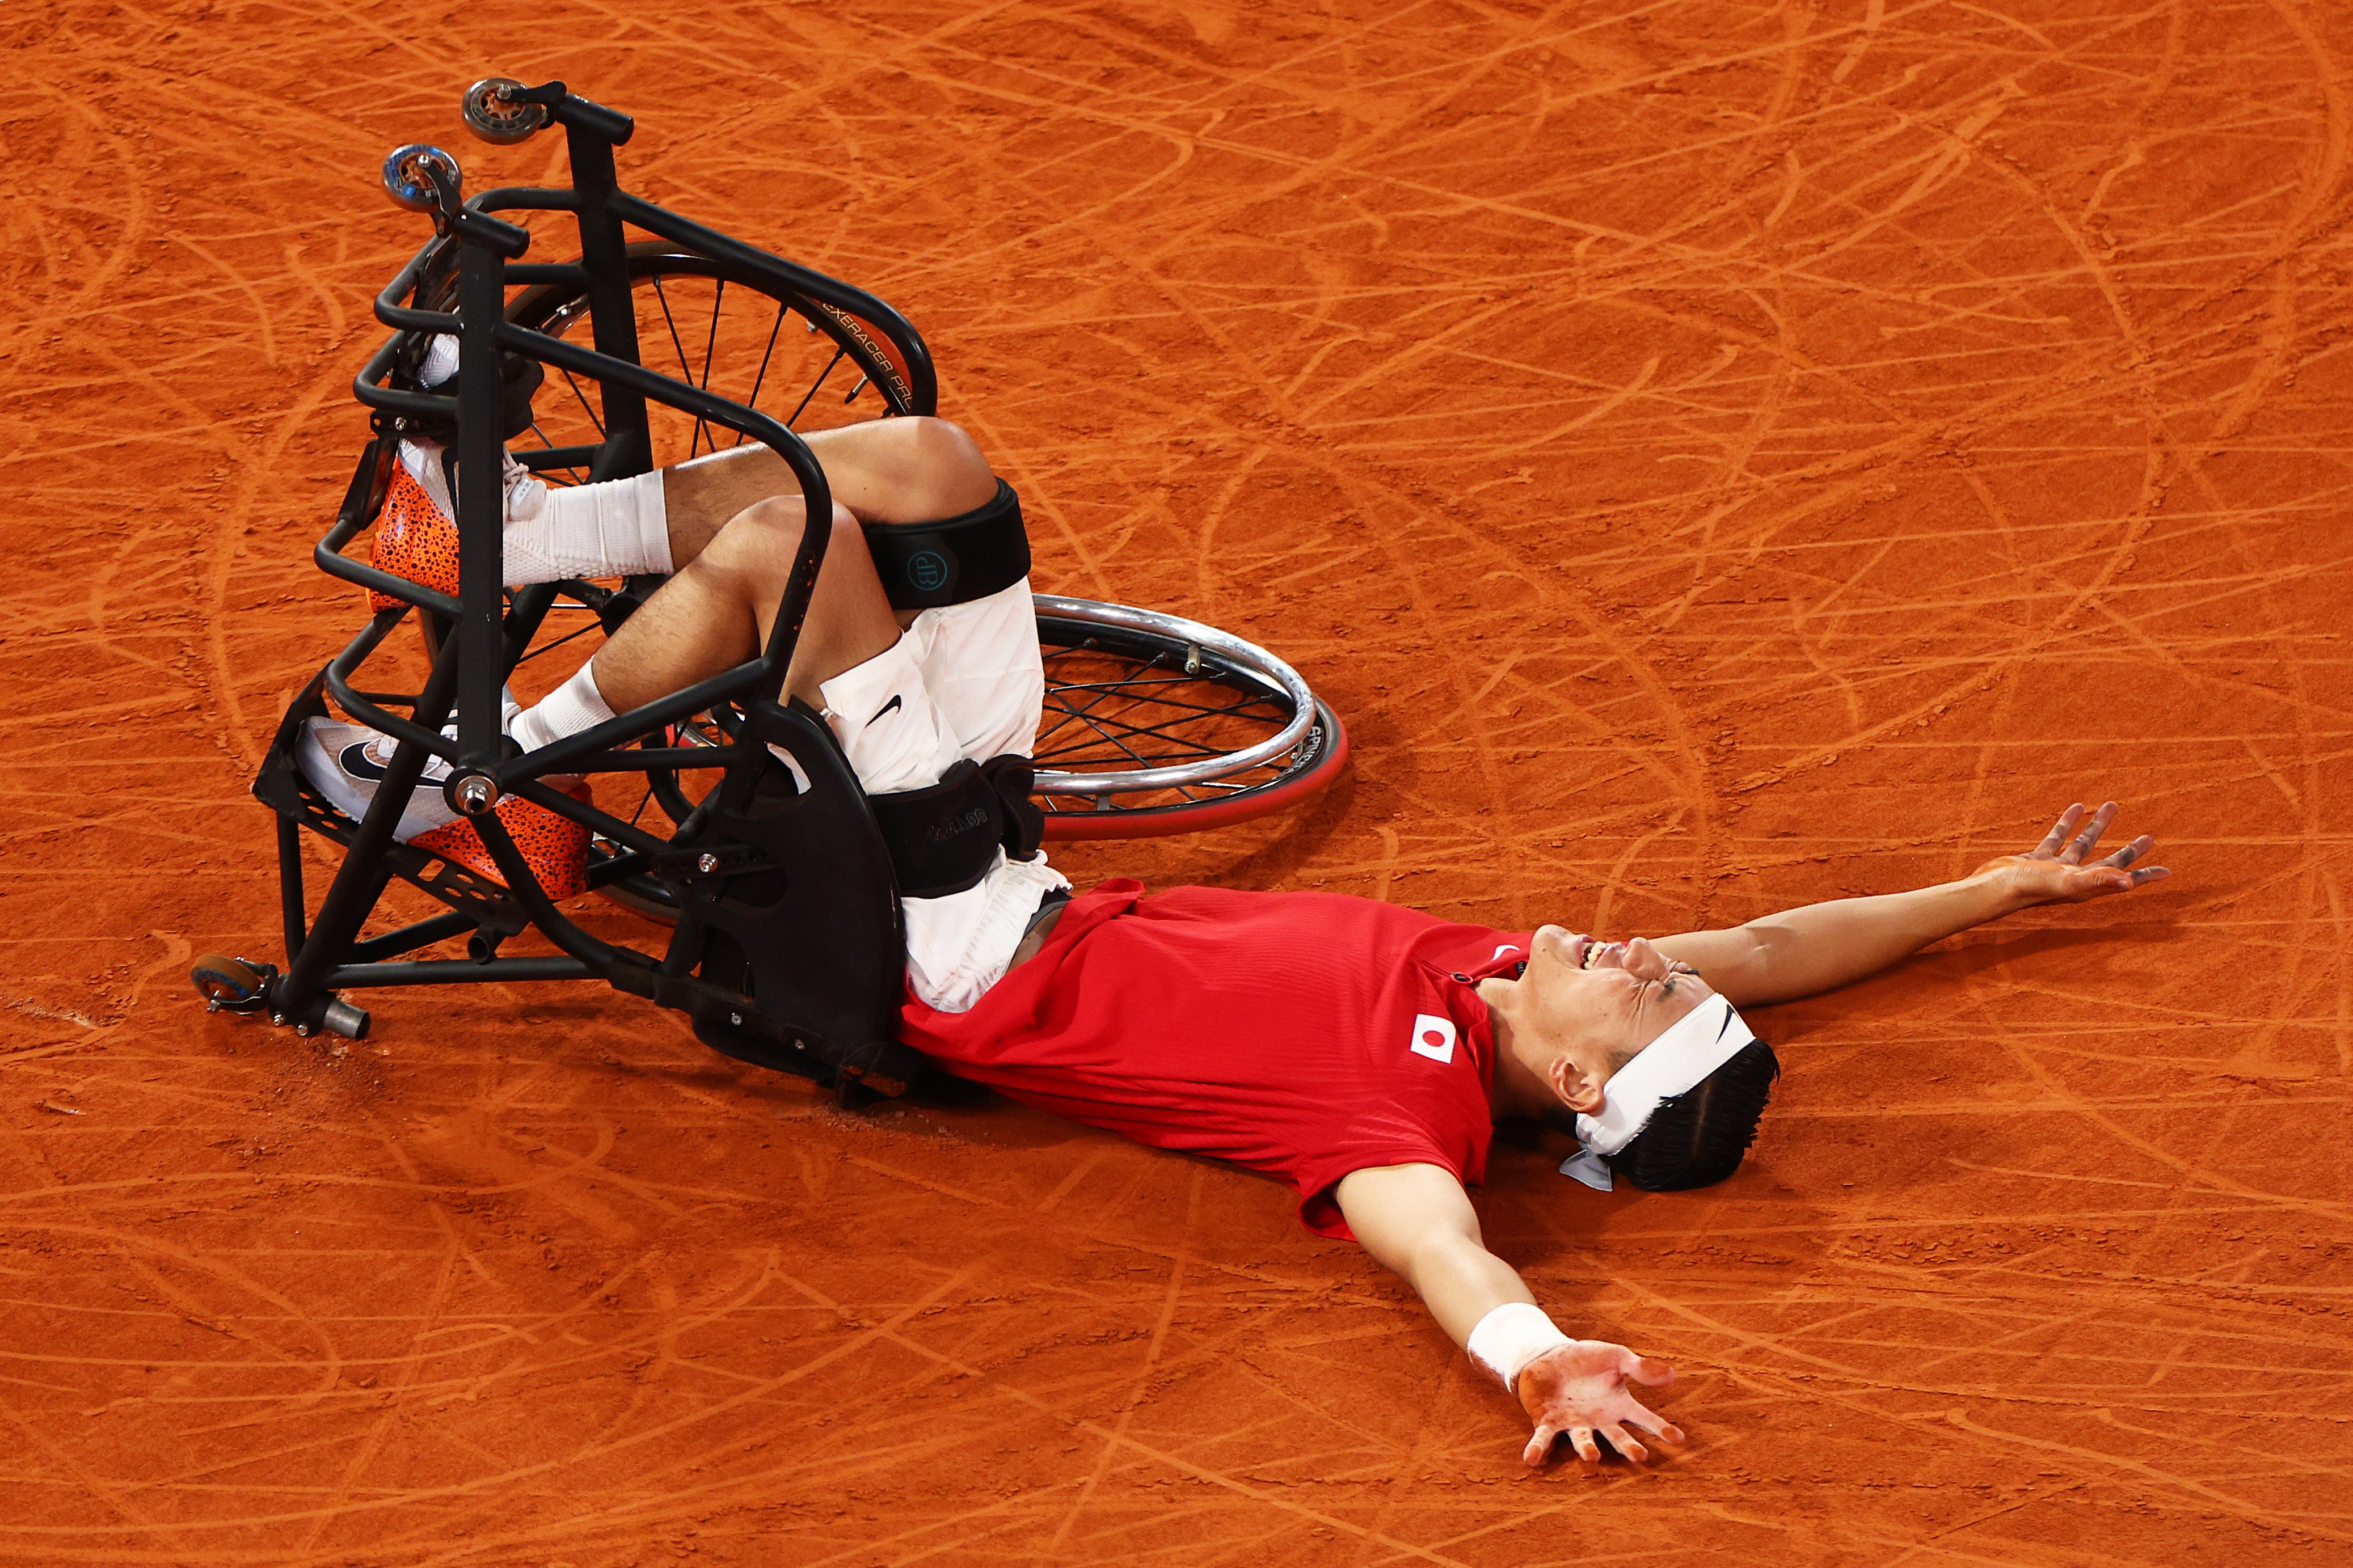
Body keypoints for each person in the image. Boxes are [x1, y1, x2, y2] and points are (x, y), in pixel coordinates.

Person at [309, 409, 2171, 1467]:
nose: (1642, 941)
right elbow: (1781, 941)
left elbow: (1441, 1257)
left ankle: (493, 780)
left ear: (1582, 1079)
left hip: (959, 953)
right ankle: (509, 534)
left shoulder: (1401, 1123)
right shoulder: (1494, 978)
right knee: (929, 470)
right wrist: (1994, 893)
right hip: (1015, 857)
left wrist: (1538, 1362)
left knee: (801, 551)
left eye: (1644, 982)